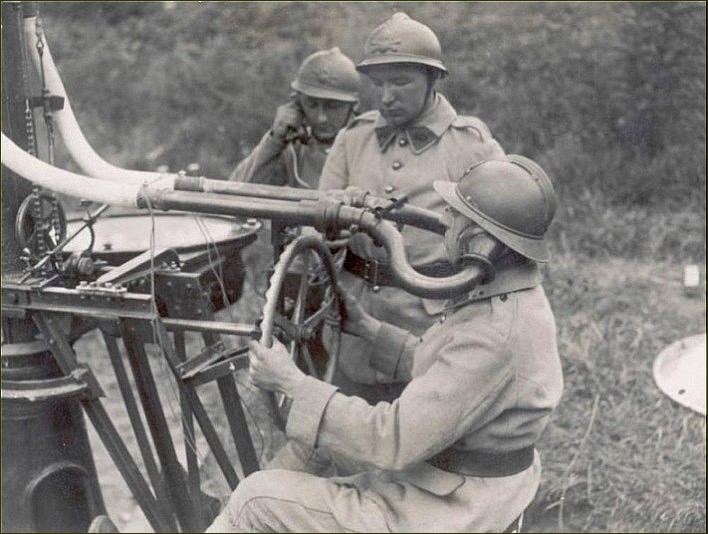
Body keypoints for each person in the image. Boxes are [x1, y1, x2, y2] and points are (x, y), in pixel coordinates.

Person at [206, 155, 564, 533]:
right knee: (312, 450)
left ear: (481, 242)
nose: (446, 223)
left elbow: (393, 439)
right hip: (458, 479)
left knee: (254, 500)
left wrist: (291, 384)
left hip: (451, 508)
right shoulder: (510, 298)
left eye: (457, 217)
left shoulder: (492, 333)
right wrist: (370, 331)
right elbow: (452, 379)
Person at [317, 12, 506, 400]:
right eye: (378, 83)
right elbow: (316, 223)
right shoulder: (353, 139)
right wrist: (335, 224)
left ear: (433, 79)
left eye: (400, 82)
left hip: (431, 329)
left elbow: (501, 238)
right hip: (353, 322)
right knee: (348, 422)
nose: (386, 97)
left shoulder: (470, 145)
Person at [229, 47, 360, 189]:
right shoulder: (294, 149)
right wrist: (275, 139)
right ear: (298, 103)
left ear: (354, 105)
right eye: (311, 104)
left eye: (333, 106)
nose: (321, 117)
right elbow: (236, 190)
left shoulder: (365, 145)